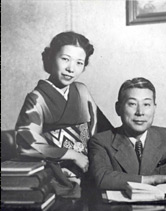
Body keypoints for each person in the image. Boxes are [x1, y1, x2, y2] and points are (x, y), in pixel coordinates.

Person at [15, 31, 111, 183]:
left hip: (91, 163)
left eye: (79, 62)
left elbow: (102, 129)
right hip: (57, 169)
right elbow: (27, 142)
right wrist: (73, 155)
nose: (71, 69)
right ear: (51, 58)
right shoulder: (37, 98)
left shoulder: (82, 91)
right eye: (65, 59)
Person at [89, 77, 166, 190]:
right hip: (119, 207)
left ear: (154, 108)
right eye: (132, 104)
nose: (140, 112)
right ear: (118, 108)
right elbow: (102, 178)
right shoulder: (101, 141)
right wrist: (152, 180)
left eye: (146, 104)